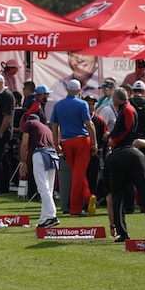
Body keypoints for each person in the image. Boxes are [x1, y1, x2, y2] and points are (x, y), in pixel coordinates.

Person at [105, 89, 145, 242]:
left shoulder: (127, 109)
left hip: (120, 154)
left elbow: (125, 130)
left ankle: (123, 232)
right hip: (134, 154)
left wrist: (113, 140)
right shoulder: (130, 110)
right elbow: (133, 137)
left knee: (118, 195)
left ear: (117, 98)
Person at [50, 78, 97, 217]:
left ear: (67, 90)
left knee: (77, 174)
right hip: (81, 140)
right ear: (79, 90)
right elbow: (89, 124)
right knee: (78, 175)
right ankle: (76, 208)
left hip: (66, 142)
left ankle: (87, 197)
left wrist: (56, 143)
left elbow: (54, 126)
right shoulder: (82, 104)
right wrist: (94, 143)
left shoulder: (58, 105)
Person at [18, 113, 59, 228]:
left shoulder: (29, 124)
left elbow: (24, 144)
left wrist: (22, 162)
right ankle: (44, 219)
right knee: (49, 189)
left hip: (40, 154)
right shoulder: (46, 128)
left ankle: (51, 216)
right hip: (53, 155)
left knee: (42, 187)